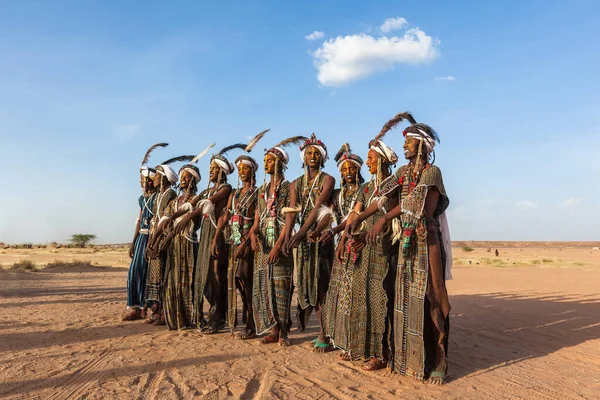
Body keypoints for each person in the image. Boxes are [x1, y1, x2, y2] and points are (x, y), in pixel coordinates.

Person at [364, 120, 452, 384]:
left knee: (432, 299)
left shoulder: (432, 172)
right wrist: (358, 219)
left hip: (428, 243)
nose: (404, 145)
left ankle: (439, 361)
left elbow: (418, 203)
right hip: (407, 244)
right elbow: (381, 194)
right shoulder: (402, 171)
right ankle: (408, 360)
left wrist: (383, 219)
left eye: (409, 141)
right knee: (405, 301)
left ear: (422, 145)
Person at [337, 137, 400, 370]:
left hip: (385, 252)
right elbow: (355, 213)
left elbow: (391, 215)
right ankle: (365, 348)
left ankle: (383, 354)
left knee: (381, 303)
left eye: (372, 159)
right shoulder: (365, 189)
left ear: (382, 161)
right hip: (364, 253)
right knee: (363, 301)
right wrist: (344, 238)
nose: (368, 162)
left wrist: (364, 236)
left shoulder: (394, 184)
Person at [174, 145, 245, 334]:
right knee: (206, 279)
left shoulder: (225, 188)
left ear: (222, 170)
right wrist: (171, 219)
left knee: (216, 277)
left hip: (218, 235)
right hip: (204, 235)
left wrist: (189, 217)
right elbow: (191, 205)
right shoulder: (205, 191)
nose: (211, 172)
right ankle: (215, 314)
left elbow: (207, 204)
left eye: (214, 169)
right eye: (210, 169)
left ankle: (218, 318)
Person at [212, 129, 268, 339]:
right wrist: (216, 237)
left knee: (248, 283)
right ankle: (244, 321)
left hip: (249, 244)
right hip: (232, 242)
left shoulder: (258, 192)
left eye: (246, 168)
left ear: (253, 171)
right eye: (240, 169)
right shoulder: (235, 194)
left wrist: (245, 243)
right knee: (237, 283)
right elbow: (225, 215)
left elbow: (258, 219)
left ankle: (252, 325)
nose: (242, 172)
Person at [250, 136, 304, 346]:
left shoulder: (288, 186)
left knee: (281, 287)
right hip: (263, 240)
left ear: (281, 163)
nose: (266, 164)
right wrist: (253, 233)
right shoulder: (263, 189)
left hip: (280, 240)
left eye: (270, 160)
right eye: (265, 160)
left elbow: (290, 215)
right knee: (265, 286)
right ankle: (272, 330)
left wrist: (279, 244)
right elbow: (258, 214)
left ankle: (284, 333)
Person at [285, 133, 335, 353]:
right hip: (304, 241)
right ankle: (321, 331)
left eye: (316, 153)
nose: (312, 156)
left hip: (320, 238)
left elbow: (319, 208)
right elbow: (293, 212)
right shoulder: (295, 184)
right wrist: (288, 236)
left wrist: (302, 233)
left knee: (322, 286)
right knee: (308, 287)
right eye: (309, 153)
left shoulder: (328, 179)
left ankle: (326, 334)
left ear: (322, 158)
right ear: (303, 158)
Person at [320, 144, 364, 357]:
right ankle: (336, 339)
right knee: (338, 294)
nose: (348, 173)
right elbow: (328, 214)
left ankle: (352, 344)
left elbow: (352, 218)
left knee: (353, 294)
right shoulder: (337, 194)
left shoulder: (364, 191)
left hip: (356, 245)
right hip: (340, 244)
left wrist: (337, 232)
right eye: (344, 170)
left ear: (358, 170)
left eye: (352, 169)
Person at [122, 151, 161, 321]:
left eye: (143, 180)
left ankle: (150, 307)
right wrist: (133, 242)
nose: (141, 183)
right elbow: (139, 220)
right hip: (141, 240)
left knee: (150, 273)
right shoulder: (141, 199)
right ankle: (135, 307)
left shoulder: (157, 198)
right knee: (134, 272)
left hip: (152, 238)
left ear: (150, 181)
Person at [144, 160, 179, 325]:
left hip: (163, 238)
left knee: (163, 275)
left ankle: (164, 311)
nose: (154, 179)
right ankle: (155, 310)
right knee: (153, 276)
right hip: (154, 236)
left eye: (157, 176)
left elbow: (165, 220)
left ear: (164, 178)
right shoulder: (157, 196)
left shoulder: (170, 194)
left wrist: (156, 240)